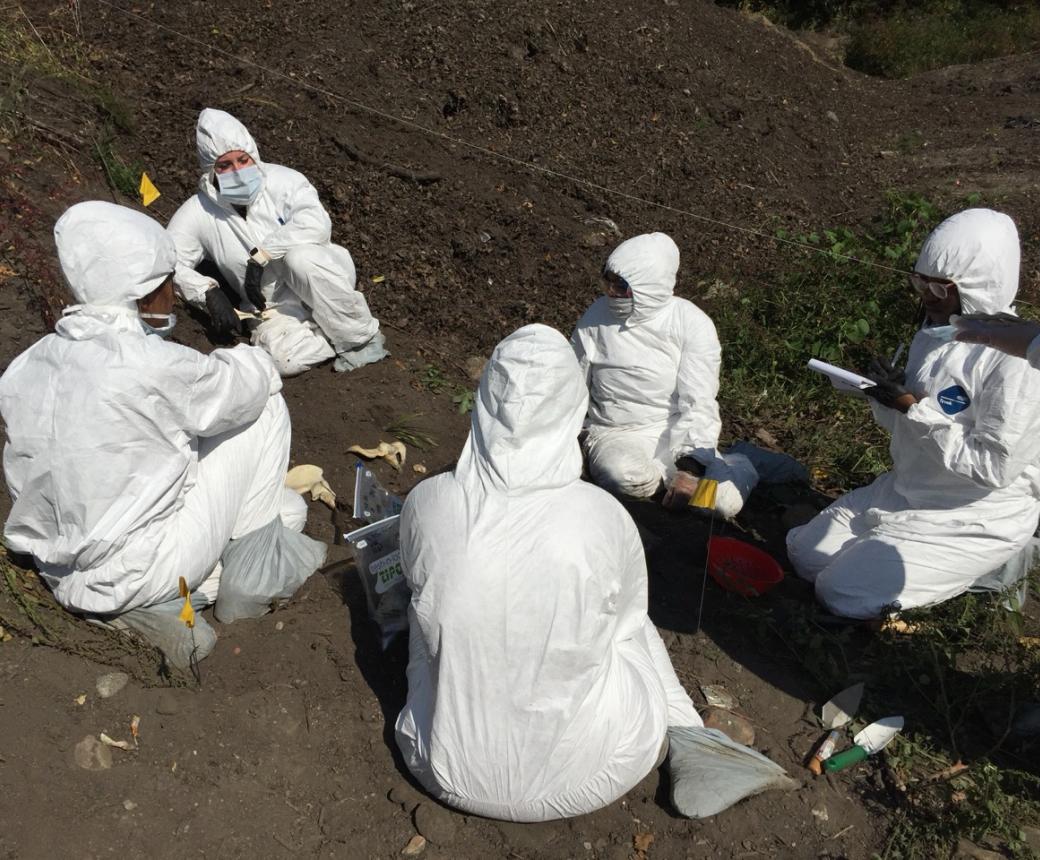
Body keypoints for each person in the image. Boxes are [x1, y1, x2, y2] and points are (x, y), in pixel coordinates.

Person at [394, 324, 709, 821]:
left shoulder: (427, 503)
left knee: (420, 608)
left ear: (484, 400)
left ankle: (691, 738)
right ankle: (691, 735)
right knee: (633, 628)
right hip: (595, 773)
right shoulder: (604, 516)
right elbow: (627, 622)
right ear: (572, 410)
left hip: (442, 769)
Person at [0, 201, 326, 667]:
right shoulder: (147, 365)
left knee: (286, 507)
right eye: (166, 282)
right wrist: (249, 351)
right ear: (143, 292)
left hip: (59, 566)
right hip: (143, 564)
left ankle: (156, 606)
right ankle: (250, 579)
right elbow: (244, 389)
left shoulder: (26, 365)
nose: (172, 293)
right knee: (267, 406)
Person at [787, 209, 1040, 620]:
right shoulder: (935, 336)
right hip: (907, 490)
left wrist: (913, 409)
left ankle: (994, 568)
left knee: (839, 592)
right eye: (921, 282)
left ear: (980, 286)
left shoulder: (1020, 362)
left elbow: (994, 467)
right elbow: (912, 427)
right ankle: (913, 558)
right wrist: (886, 398)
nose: (927, 296)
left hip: (975, 516)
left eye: (940, 287)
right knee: (804, 555)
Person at [167, 107, 385, 377]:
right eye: (225, 165)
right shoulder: (199, 212)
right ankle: (329, 330)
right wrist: (206, 291)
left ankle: (359, 339)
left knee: (300, 259)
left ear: (253, 156)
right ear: (210, 170)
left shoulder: (285, 181)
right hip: (270, 307)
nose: (237, 171)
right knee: (283, 362)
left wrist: (264, 254)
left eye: (242, 160)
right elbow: (168, 261)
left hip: (320, 276)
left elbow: (316, 222)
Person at [571, 233, 741, 513]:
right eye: (608, 282)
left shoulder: (691, 323)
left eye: (622, 286)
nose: (612, 293)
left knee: (722, 504)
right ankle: (662, 484)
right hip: (617, 432)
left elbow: (698, 400)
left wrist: (689, 471)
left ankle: (738, 465)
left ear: (649, 286)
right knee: (623, 477)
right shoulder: (597, 316)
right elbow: (573, 381)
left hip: (675, 435)